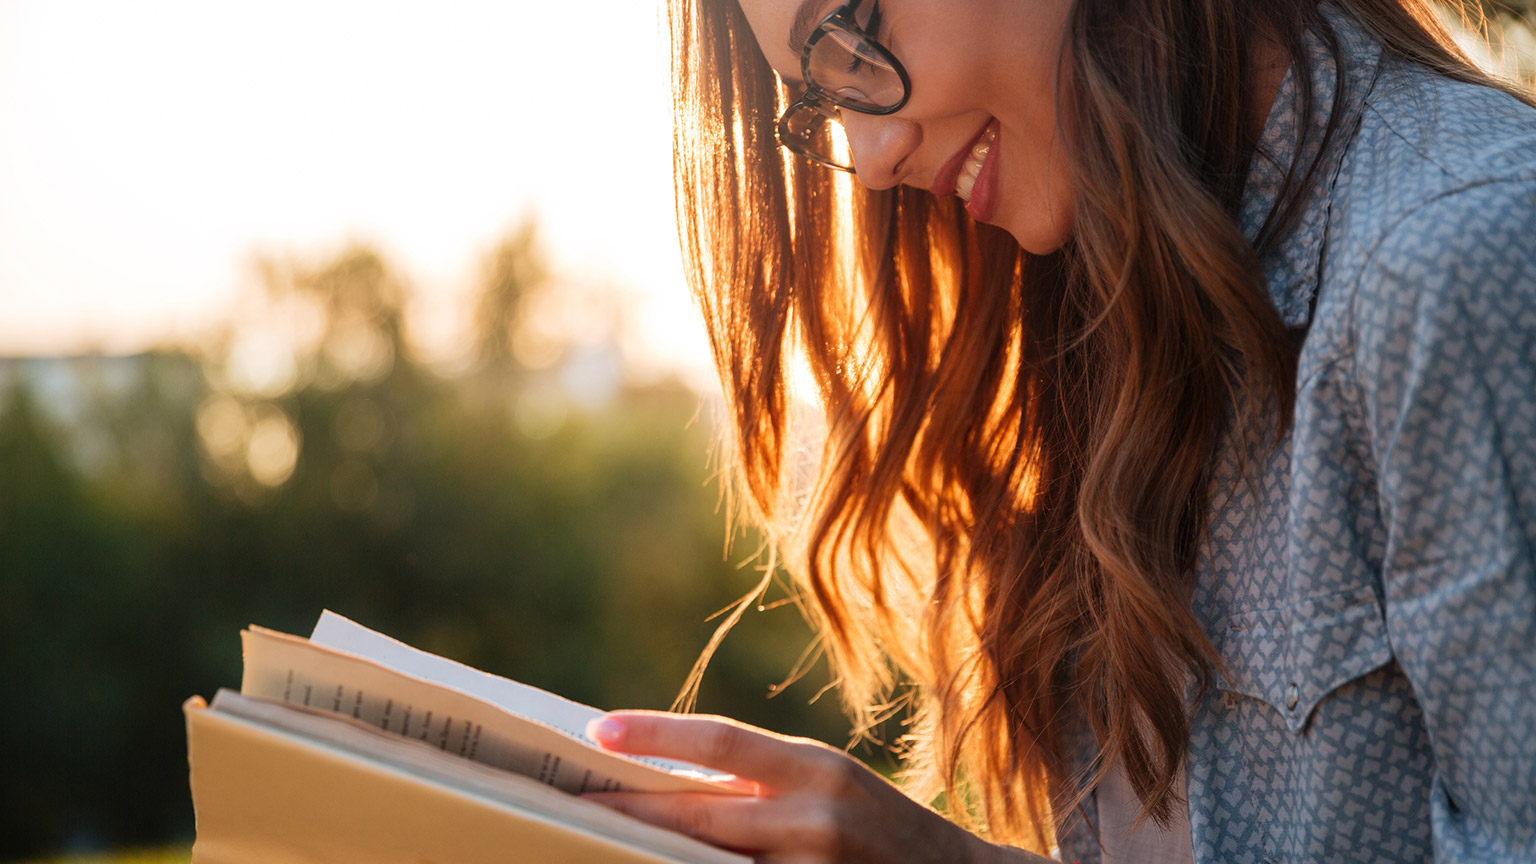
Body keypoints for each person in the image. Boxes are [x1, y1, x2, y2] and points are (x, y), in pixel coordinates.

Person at [583, 0, 1536, 861]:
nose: (872, 164)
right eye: (822, 104)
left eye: (850, 34)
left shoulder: (1462, 266)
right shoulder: (1115, 326)